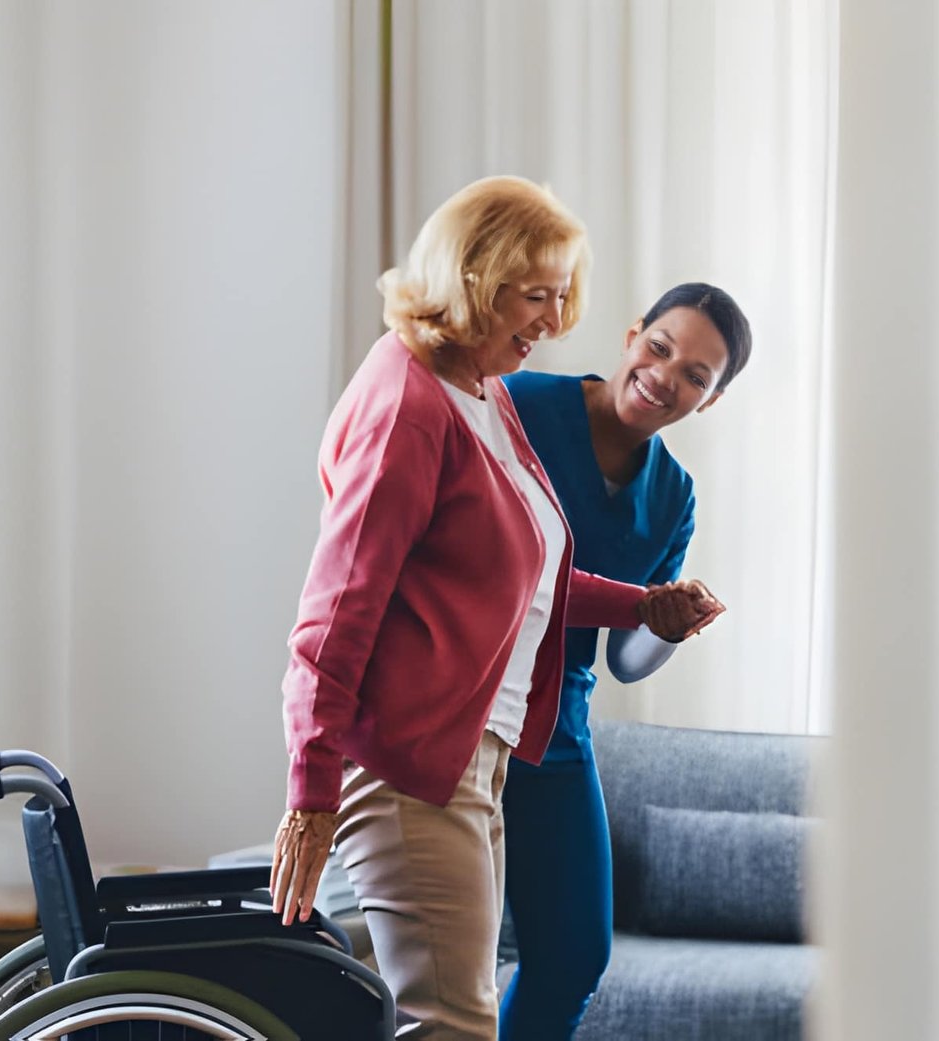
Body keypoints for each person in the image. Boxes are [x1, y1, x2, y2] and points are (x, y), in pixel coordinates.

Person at [268, 178, 725, 1040]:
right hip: (414, 762)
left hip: (483, 752)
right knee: (453, 1023)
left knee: (460, 1012)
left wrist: (647, 607)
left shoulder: (480, 393)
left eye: (561, 297)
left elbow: (526, 579)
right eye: (536, 295)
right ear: (477, 275)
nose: (553, 322)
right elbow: (335, 616)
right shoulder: (410, 399)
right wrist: (309, 793)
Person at [497, 282, 752, 1039]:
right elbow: (497, 574)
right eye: (661, 347)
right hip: (461, 706)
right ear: (633, 334)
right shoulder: (514, 404)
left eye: (696, 376)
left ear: (709, 400)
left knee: (575, 955)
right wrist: (637, 602)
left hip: (555, 734)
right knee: (449, 954)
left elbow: (626, 661)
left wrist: (667, 625)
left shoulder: (673, 496)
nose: (665, 375)